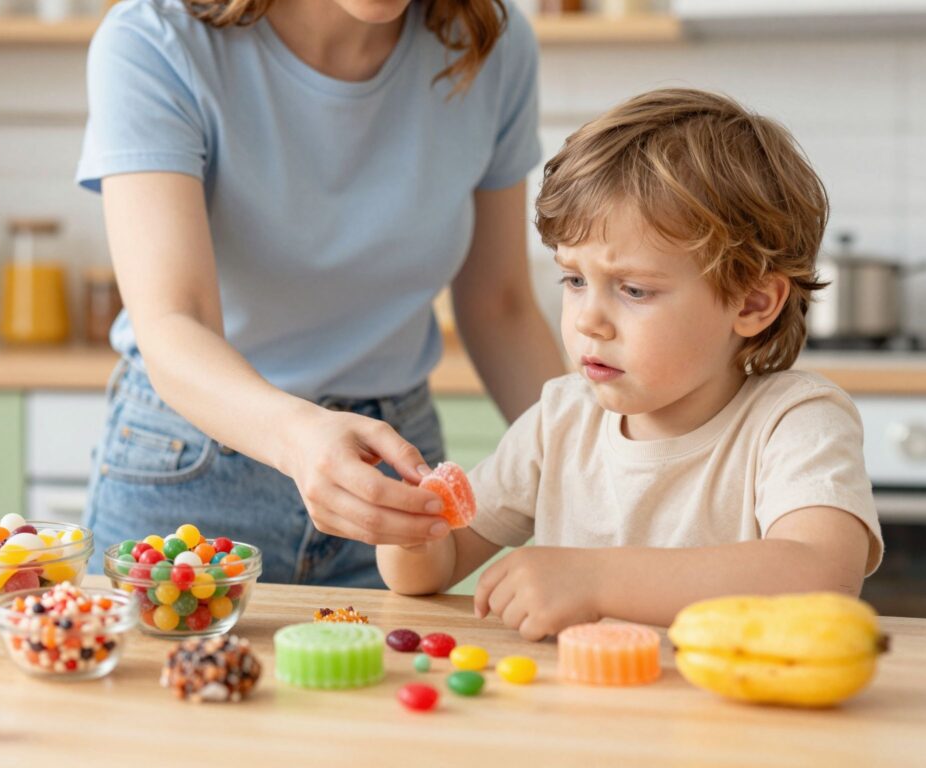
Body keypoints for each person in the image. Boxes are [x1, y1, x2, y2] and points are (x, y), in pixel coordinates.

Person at [76, 0, 566, 587]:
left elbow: (500, 305)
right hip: (193, 475)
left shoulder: (490, 44)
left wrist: (583, 463)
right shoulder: (155, 38)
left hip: (393, 477)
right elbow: (176, 321)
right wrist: (300, 439)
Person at [377, 88, 884, 639]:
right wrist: (410, 531)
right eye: (574, 280)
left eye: (634, 290)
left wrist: (596, 579)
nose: (587, 321)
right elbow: (440, 566)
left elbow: (823, 576)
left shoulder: (794, 421)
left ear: (752, 302)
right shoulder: (559, 420)